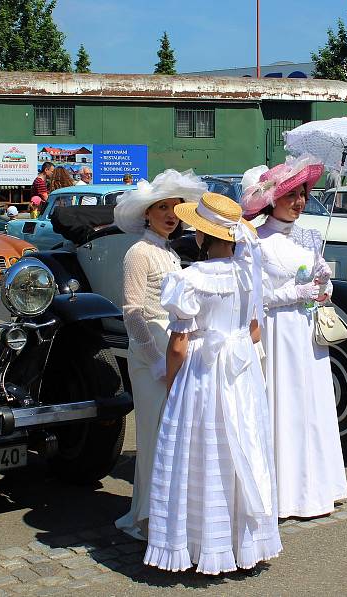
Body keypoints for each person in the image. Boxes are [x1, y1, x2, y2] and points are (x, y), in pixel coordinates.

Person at [144, 192, 281, 575]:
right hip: (242, 371)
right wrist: (234, 336)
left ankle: (200, 542)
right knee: (244, 442)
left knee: (200, 449)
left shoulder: (189, 279)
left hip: (204, 372)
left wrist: (172, 383)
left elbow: (178, 343)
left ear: (201, 237)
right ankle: (244, 542)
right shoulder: (249, 274)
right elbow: (254, 332)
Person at [241, 154, 347, 519]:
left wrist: (324, 284)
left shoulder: (308, 238)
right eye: (291, 196)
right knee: (283, 406)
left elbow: (320, 286)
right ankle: (284, 493)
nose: (299, 202)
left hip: (306, 335)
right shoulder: (255, 241)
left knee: (312, 406)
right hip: (277, 333)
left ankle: (316, 487)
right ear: (273, 200)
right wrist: (295, 294)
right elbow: (253, 297)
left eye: (303, 194)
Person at [113, 169, 208, 542]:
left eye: (175, 207)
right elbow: (133, 311)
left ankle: (167, 510)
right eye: (162, 207)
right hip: (150, 350)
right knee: (153, 433)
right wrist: (154, 359)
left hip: (172, 348)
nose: (171, 214)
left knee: (173, 433)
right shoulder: (139, 253)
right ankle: (147, 517)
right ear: (147, 213)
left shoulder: (168, 252)